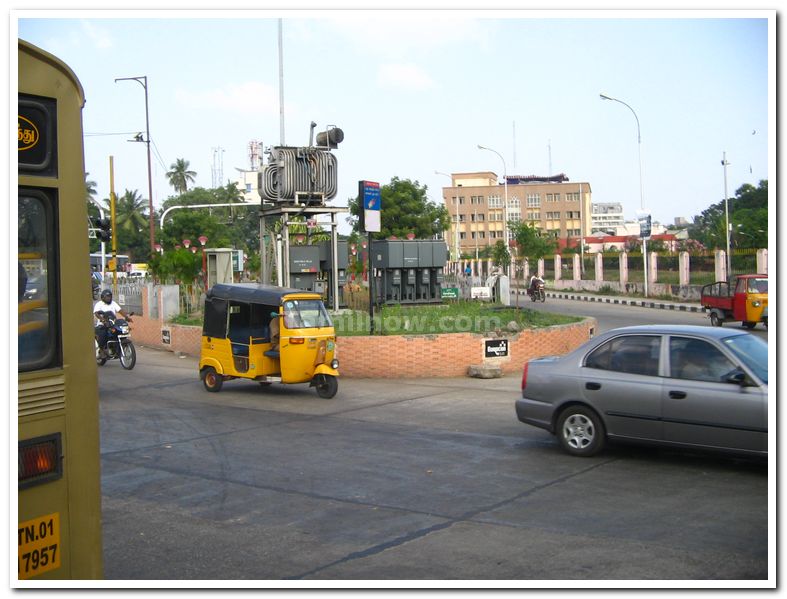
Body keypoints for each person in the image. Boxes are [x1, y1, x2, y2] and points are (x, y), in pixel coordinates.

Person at [93, 289, 131, 358]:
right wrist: (103, 320)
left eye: (110, 296)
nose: (109, 298)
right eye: (107, 296)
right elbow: (96, 313)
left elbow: (120, 310)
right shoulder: (99, 304)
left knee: (120, 331)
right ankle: (101, 350)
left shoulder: (113, 303)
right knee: (102, 333)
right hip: (103, 324)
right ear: (102, 297)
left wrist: (126, 317)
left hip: (112, 323)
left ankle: (118, 347)